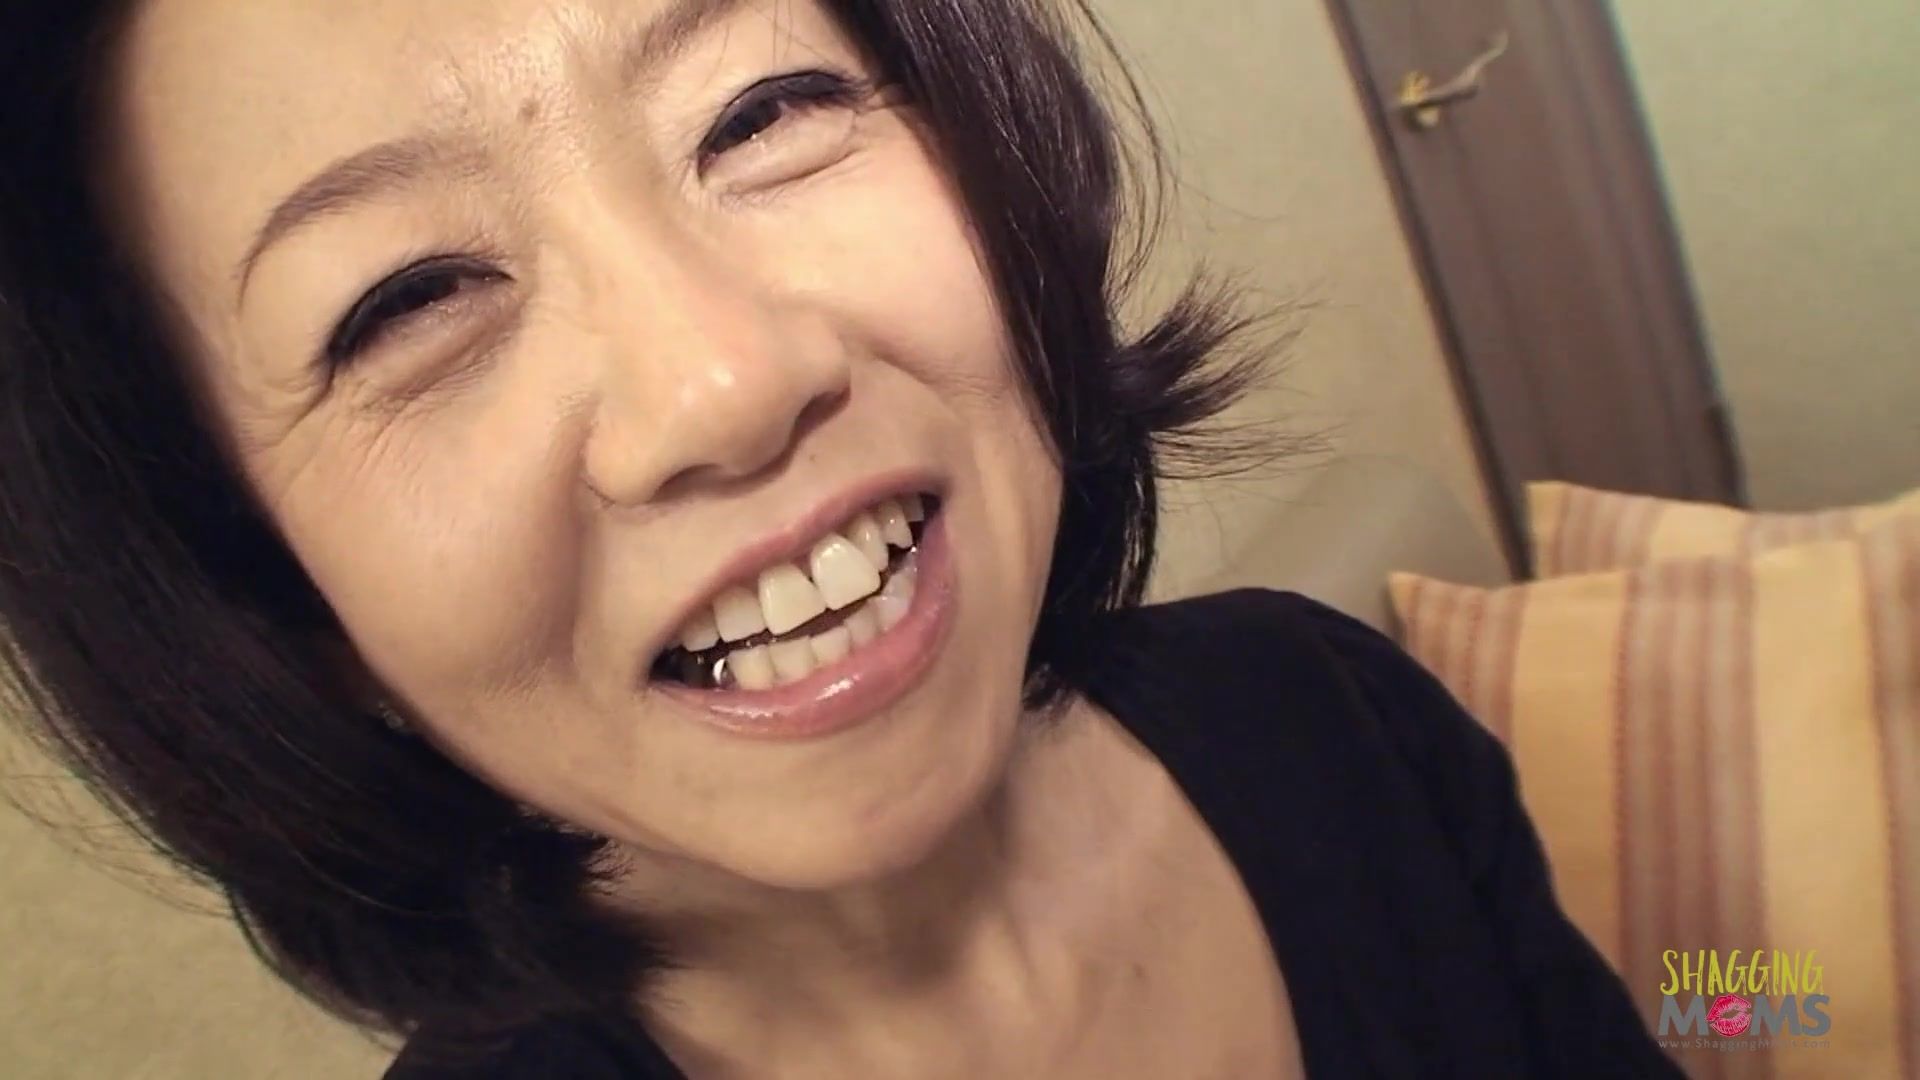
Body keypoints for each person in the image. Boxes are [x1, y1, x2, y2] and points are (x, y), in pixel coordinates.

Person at [0, 1, 1681, 1076]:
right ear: (272, 601)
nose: (724, 384)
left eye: (760, 113)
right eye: (408, 300)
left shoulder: (1338, 718)